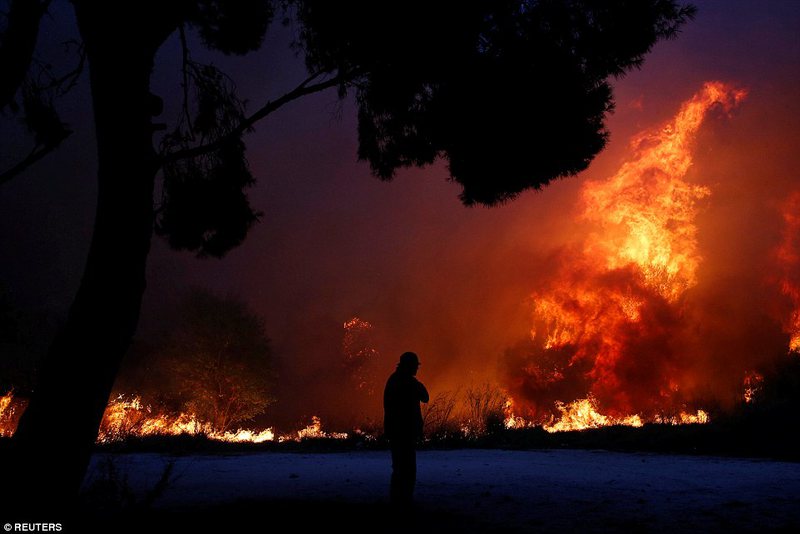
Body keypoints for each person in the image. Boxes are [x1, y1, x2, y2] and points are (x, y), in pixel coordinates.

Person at [383, 351, 429, 505]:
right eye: (415, 366)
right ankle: (403, 502)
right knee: (407, 469)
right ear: (409, 366)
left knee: (399, 468)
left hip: (396, 432)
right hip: (404, 432)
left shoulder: (393, 380)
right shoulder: (408, 383)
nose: (417, 369)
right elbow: (425, 397)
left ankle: (398, 501)